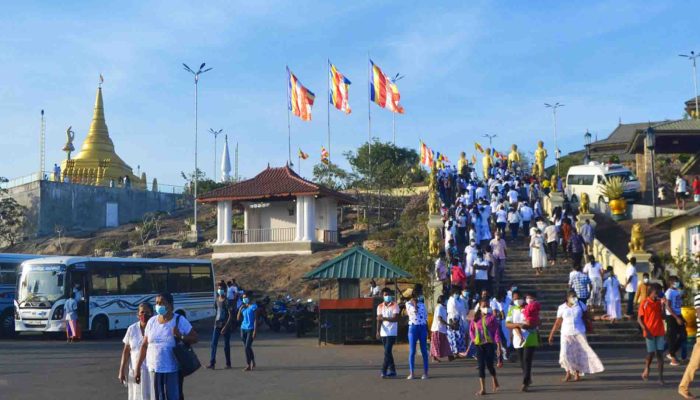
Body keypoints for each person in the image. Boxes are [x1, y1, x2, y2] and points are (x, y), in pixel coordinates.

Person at [135, 293, 198, 400]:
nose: (158, 306)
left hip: (172, 370)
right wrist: (137, 368)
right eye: (157, 303)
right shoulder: (152, 321)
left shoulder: (179, 320)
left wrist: (180, 336)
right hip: (154, 369)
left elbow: (195, 338)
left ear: (170, 305)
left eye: (162, 303)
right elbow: (144, 345)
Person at [548, 290, 604, 382]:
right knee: (564, 354)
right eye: (572, 296)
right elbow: (557, 322)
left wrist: (600, 318)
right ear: (567, 298)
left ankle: (577, 373)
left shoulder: (581, 305)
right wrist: (551, 334)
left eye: (575, 296)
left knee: (578, 354)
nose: (574, 298)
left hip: (579, 332)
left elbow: (589, 316)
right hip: (566, 333)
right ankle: (568, 372)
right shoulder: (562, 307)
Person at [506, 292, 541, 392]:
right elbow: (508, 324)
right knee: (522, 362)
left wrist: (531, 324)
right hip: (518, 337)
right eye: (514, 298)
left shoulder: (530, 307)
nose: (517, 300)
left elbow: (538, 321)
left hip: (530, 336)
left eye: (519, 298)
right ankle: (528, 378)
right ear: (512, 299)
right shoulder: (512, 309)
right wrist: (518, 325)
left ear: (523, 298)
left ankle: (525, 383)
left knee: (527, 360)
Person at [119, 303, 154, 400]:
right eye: (142, 312)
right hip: (135, 371)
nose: (145, 315)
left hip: (151, 372)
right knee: (136, 396)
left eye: (147, 312)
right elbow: (126, 351)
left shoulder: (155, 329)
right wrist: (121, 370)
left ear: (152, 314)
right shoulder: (132, 329)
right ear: (138, 314)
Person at [469, 298, 501, 396]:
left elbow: (496, 332)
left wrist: (499, 346)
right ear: (479, 307)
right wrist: (474, 339)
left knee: (490, 365)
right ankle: (483, 389)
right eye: (484, 306)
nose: (486, 308)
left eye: (487, 306)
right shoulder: (475, 318)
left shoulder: (492, 318)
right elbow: (471, 330)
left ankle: (494, 378)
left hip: (489, 345)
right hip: (479, 345)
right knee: (481, 366)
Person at [637, 284, 665, 385]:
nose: (657, 294)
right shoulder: (645, 302)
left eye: (659, 292)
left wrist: (663, 305)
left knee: (660, 354)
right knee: (651, 353)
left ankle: (660, 378)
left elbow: (663, 317)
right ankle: (647, 368)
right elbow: (639, 318)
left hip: (660, 331)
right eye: (656, 292)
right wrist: (646, 330)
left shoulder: (659, 302)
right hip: (649, 331)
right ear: (651, 292)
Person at [679, 283, 700, 398]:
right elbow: (699, 313)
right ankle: (683, 387)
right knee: (694, 364)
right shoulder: (699, 297)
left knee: (694, 364)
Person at [207, 282, 234, 370]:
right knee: (213, 344)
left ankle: (228, 363)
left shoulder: (227, 301)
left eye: (221, 289)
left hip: (225, 325)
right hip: (217, 324)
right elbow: (217, 310)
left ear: (225, 290)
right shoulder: (217, 300)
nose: (220, 290)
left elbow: (230, 315)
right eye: (219, 288)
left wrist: (226, 326)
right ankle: (212, 363)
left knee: (226, 345)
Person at [405, 287, 429, 379]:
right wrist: (414, 304)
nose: (421, 296)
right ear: (416, 294)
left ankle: (426, 373)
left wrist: (427, 329)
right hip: (413, 328)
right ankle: (412, 373)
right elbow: (414, 312)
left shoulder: (422, 304)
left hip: (422, 327)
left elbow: (425, 317)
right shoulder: (408, 304)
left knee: (424, 351)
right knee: (412, 351)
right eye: (420, 294)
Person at [376, 288, 399, 378]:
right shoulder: (380, 306)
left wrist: (384, 318)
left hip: (392, 332)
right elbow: (379, 319)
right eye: (385, 295)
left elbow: (395, 318)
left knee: (387, 351)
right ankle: (393, 370)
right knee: (388, 352)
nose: (387, 296)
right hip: (383, 332)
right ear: (382, 296)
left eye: (388, 294)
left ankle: (383, 370)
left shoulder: (395, 305)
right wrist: (377, 331)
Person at [666, 276, 686, 367]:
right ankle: (673, 357)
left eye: (677, 281)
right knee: (672, 337)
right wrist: (676, 318)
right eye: (675, 281)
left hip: (678, 314)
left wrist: (681, 317)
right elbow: (668, 306)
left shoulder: (676, 291)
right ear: (671, 282)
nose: (677, 283)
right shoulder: (669, 292)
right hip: (671, 316)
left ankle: (671, 352)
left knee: (683, 335)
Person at [237, 292, 258, 371]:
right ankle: (252, 361)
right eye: (243, 298)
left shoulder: (254, 307)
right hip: (243, 328)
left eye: (245, 297)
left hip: (251, 329)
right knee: (247, 347)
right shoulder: (243, 307)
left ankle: (248, 364)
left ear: (249, 298)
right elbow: (238, 318)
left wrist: (255, 331)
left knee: (247, 347)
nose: (244, 299)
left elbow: (256, 319)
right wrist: (240, 309)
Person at [430, 295, 453, 362]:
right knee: (436, 344)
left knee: (445, 343)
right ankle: (434, 357)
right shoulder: (439, 307)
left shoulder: (443, 308)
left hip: (442, 329)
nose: (446, 301)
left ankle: (450, 356)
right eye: (445, 299)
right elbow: (439, 318)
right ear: (442, 300)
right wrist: (448, 324)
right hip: (437, 329)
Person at [446, 287, 468, 357]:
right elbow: (450, 312)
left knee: (459, 336)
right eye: (456, 293)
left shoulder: (458, 300)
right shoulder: (450, 300)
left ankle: (458, 352)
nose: (457, 294)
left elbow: (461, 310)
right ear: (453, 293)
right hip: (453, 320)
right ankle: (454, 353)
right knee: (453, 337)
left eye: (458, 293)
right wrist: (453, 321)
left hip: (459, 320)